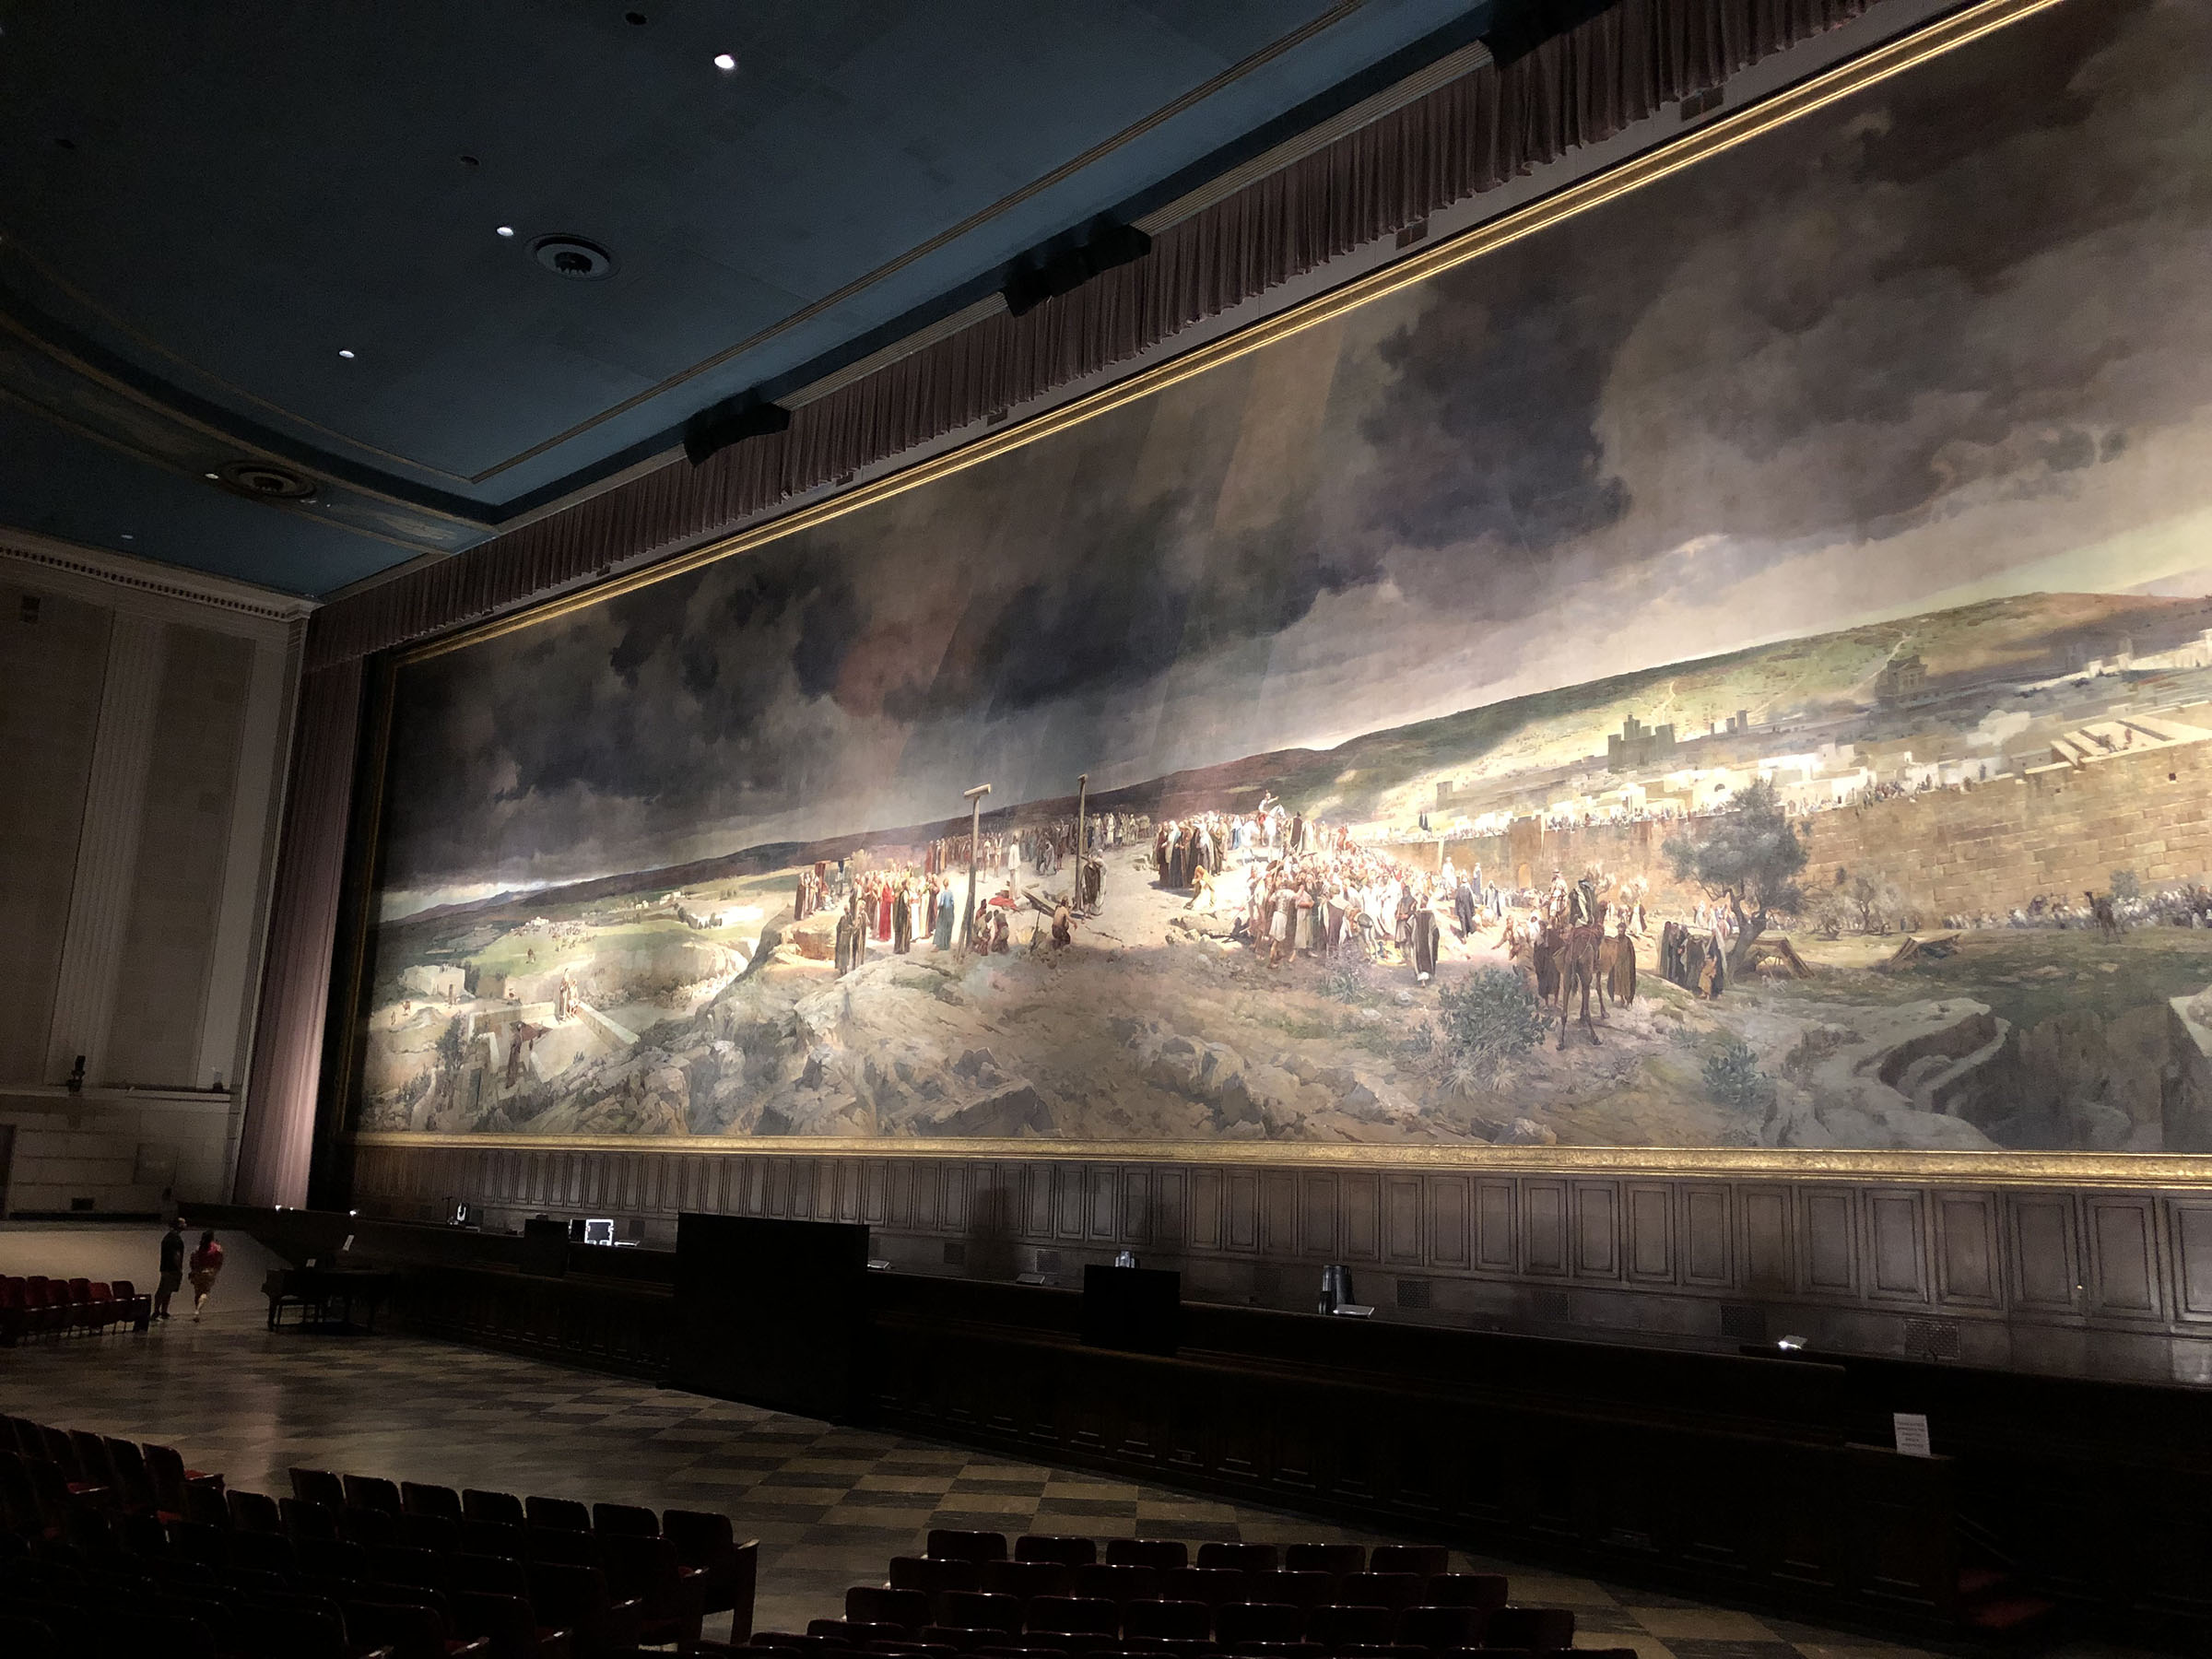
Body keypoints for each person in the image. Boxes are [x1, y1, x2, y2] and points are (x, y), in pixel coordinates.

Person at [187, 1229, 225, 1321]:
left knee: (197, 1293)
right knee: (205, 1292)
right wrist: (216, 1270)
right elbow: (220, 1261)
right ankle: (198, 1311)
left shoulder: (198, 1248)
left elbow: (192, 1260)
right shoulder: (217, 1248)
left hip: (198, 1271)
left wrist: (193, 1271)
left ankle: (197, 1310)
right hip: (210, 1271)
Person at [154, 1217, 185, 1321]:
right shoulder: (175, 1239)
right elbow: (176, 1255)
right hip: (171, 1269)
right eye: (183, 1223)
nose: (185, 1225)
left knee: (167, 1290)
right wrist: (179, 1268)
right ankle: (156, 1312)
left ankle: (164, 1311)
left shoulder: (170, 1237)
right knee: (163, 1290)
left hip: (167, 1268)